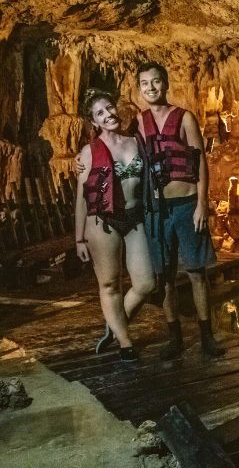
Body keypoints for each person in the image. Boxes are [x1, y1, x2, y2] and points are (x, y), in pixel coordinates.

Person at [136, 62, 225, 359]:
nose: (151, 88)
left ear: (166, 84)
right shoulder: (138, 123)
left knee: (197, 272)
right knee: (165, 277)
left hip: (187, 205)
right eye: (145, 83)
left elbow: (199, 162)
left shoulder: (185, 118)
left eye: (156, 82)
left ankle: (206, 335)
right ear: (140, 89)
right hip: (157, 211)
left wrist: (202, 204)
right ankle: (173, 336)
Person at [74, 89, 155, 362]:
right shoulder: (88, 152)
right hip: (102, 222)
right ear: (93, 122)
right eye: (100, 113)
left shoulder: (136, 141)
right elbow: (81, 199)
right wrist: (79, 239)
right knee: (110, 285)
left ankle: (115, 323)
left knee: (145, 283)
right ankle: (125, 343)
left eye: (109, 108)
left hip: (134, 218)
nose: (108, 115)